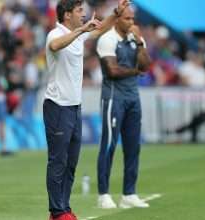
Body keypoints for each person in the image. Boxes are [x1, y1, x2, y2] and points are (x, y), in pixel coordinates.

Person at [43, 1, 130, 220]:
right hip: (57, 106)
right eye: (79, 11)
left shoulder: (77, 35)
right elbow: (55, 47)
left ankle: (63, 207)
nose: (83, 15)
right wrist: (82, 29)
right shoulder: (55, 33)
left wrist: (116, 14)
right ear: (67, 15)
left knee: (71, 163)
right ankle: (57, 211)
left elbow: (100, 28)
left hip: (74, 106)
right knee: (58, 161)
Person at [96, 7, 151, 209]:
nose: (131, 22)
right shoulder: (107, 40)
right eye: (127, 18)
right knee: (109, 145)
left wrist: (138, 42)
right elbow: (112, 70)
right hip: (114, 97)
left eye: (133, 18)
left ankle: (129, 193)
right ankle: (103, 194)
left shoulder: (136, 38)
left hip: (133, 98)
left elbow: (146, 66)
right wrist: (135, 71)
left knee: (133, 147)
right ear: (117, 19)